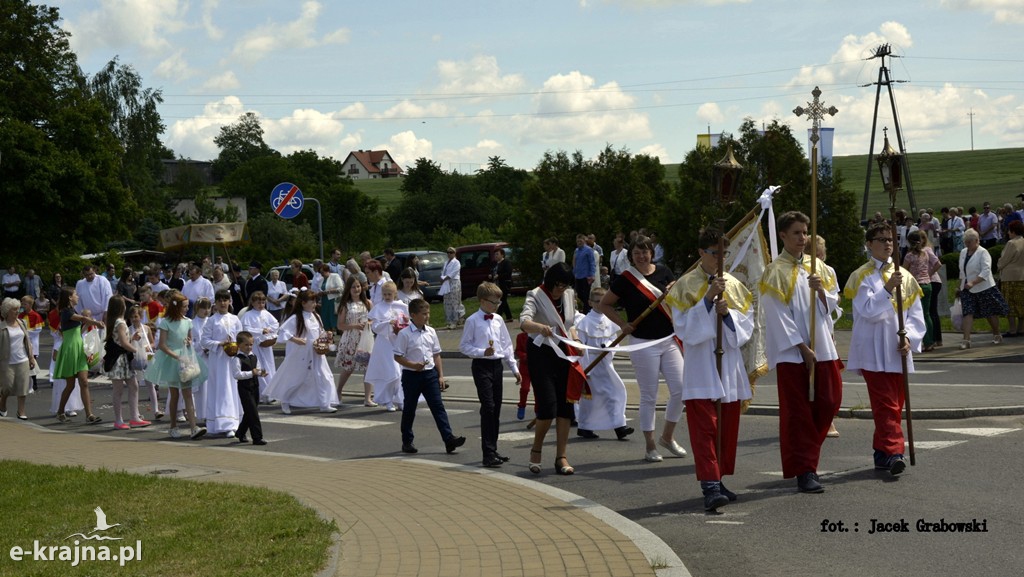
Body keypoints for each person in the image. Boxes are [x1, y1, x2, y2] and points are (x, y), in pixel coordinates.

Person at [667, 228, 754, 510]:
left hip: (727, 363)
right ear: (701, 253)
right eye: (716, 254)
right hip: (702, 364)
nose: (721, 259)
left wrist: (727, 314)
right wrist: (706, 300)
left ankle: (719, 477)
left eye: (724, 254)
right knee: (705, 427)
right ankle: (709, 484)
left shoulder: (734, 284)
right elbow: (683, 329)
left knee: (726, 427)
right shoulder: (685, 284)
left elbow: (746, 327)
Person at [760, 213, 842, 492]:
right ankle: (805, 469)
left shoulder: (817, 267)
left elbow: (834, 306)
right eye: (796, 233)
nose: (802, 238)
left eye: (805, 232)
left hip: (822, 346)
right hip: (793, 353)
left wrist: (821, 292)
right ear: (783, 235)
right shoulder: (774, 271)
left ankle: (807, 454)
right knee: (798, 414)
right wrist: (801, 347)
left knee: (829, 401)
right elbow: (776, 315)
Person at [596, 236, 687, 463]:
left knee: (681, 390)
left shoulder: (664, 272)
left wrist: (675, 290)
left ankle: (667, 436)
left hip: (668, 338)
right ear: (631, 256)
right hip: (642, 342)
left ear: (651, 253)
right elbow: (605, 304)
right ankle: (650, 445)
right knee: (649, 395)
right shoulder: (625, 279)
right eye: (637, 252)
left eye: (645, 251)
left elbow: (678, 300)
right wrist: (622, 325)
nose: (641, 256)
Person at [844, 222, 926, 476]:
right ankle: (893, 453)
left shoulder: (905, 275)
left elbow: (915, 314)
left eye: (890, 239)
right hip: (872, 350)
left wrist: (909, 338)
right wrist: (888, 288)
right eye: (881, 239)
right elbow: (867, 311)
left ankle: (881, 452)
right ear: (869, 244)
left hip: (897, 350)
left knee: (894, 404)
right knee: (886, 406)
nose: (887, 243)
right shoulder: (861, 276)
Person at [519, 263, 578, 475]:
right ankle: (536, 450)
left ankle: (561, 456)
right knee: (548, 405)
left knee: (566, 406)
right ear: (550, 281)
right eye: (558, 285)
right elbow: (524, 321)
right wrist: (539, 327)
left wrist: (576, 337)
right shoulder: (535, 294)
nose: (560, 290)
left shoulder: (569, 295)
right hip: (541, 353)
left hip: (564, 353)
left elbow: (569, 323)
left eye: (564, 286)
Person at [393, 298, 466, 455]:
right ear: (413, 315)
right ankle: (407, 441)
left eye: (428, 313)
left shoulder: (431, 332)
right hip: (412, 375)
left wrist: (440, 375)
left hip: (430, 375)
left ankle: (448, 439)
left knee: (437, 406)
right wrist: (413, 365)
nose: (427, 316)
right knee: (410, 408)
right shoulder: (405, 334)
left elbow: (436, 355)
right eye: (424, 314)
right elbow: (398, 356)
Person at [459, 282, 521, 468]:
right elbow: (464, 346)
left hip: (497, 366)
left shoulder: (498, 320)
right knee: (488, 407)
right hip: (481, 366)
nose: (497, 306)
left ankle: (493, 449)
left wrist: (514, 369)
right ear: (483, 301)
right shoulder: (473, 321)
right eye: (494, 302)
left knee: (496, 409)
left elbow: (506, 344)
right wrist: (481, 352)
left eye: (498, 303)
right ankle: (487, 453)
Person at [264, 289, 339, 414]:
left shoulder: (316, 316)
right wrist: (295, 339)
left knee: (324, 376)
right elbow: (282, 331)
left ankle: (324, 403)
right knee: (297, 378)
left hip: (316, 352)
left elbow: (320, 332)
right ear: (303, 303)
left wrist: (327, 335)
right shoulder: (296, 318)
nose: (314, 304)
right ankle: (285, 400)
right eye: (312, 302)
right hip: (302, 354)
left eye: (315, 301)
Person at [144, 290, 206, 439]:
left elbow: (190, 339)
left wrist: (189, 343)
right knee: (175, 394)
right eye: (184, 306)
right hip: (172, 360)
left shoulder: (188, 321)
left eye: (186, 306)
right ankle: (173, 426)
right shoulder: (166, 322)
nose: (186, 308)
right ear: (176, 307)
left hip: (186, 359)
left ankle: (193, 427)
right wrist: (177, 356)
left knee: (188, 394)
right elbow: (163, 345)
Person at [574, 287, 632, 441]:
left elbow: (615, 341)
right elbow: (581, 347)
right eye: (597, 302)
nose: (600, 305)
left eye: (603, 301)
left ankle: (620, 426)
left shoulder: (610, 320)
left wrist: (609, 349)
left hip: (605, 364)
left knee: (615, 392)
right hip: (592, 364)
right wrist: (586, 369)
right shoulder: (584, 322)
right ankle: (585, 426)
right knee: (592, 399)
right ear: (590, 302)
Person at [54, 287, 105, 424]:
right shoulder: (65, 311)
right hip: (70, 349)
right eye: (75, 294)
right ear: (70, 297)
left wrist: (90, 325)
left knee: (84, 381)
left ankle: (89, 415)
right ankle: (60, 411)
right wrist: (95, 322)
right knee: (70, 385)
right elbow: (82, 318)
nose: (78, 296)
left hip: (78, 348)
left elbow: (78, 328)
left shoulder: (72, 311)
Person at [200, 290, 244, 436]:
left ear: (229, 301)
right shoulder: (212, 320)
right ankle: (217, 423)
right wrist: (220, 343)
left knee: (231, 388)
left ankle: (232, 423)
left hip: (231, 359)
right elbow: (204, 340)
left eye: (225, 300)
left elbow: (241, 337)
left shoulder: (235, 319)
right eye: (220, 300)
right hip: (218, 360)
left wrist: (236, 345)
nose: (223, 303)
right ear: (216, 303)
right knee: (220, 389)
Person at [103, 296, 150, 430]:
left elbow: (120, 341)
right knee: (123, 389)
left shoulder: (114, 321)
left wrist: (131, 339)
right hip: (120, 359)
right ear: (121, 307)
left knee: (130, 386)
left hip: (119, 358)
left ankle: (131, 417)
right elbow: (123, 343)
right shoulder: (121, 323)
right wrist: (137, 350)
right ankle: (121, 419)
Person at [957, 228, 1009, 348]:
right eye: (966, 242)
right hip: (967, 288)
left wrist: (973, 282)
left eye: (969, 242)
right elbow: (962, 271)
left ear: (976, 240)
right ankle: (966, 340)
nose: (967, 244)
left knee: (990, 313)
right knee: (968, 312)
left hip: (984, 287)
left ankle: (996, 333)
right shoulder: (963, 252)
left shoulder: (983, 252)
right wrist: (959, 286)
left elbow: (986, 271)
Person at [364, 282, 408, 412]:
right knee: (391, 372)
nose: (387, 296)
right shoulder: (379, 307)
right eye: (385, 294)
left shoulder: (401, 306)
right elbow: (375, 327)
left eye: (389, 294)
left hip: (398, 342)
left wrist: (405, 321)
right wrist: (387, 323)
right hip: (384, 344)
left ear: (395, 294)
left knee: (400, 373)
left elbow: (408, 322)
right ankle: (387, 400)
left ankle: (400, 399)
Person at [334, 276, 373, 405]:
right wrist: (355, 326)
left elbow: (374, 319)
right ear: (348, 289)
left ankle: (367, 398)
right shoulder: (345, 305)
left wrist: (368, 323)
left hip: (366, 338)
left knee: (368, 367)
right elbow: (340, 325)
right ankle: (338, 390)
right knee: (349, 368)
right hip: (351, 338)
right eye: (353, 287)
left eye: (358, 286)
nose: (356, 289)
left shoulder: (367, 303)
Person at [903, 231, 943, 352]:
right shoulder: (925, 253)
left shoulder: (909, 256)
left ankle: (923, 341)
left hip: (916, 286)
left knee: (917, 315)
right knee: (927, 314)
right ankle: (930, 341)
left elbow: (904, 270)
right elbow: (936, 264)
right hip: (928, 284)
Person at [0, 297, 35, 420]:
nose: (17, 311)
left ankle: (21, 411)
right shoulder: (1, 326)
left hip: (22, 360)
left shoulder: (22, 323)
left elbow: (28, 341)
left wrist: (31, 358)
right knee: (6, 388)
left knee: (23, 387)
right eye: (14, 309)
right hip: (6, 362)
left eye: (18, 309)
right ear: (7, 311)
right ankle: (2, 405)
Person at [241, 292, 279, 403]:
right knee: (259, 366)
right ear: (253, 303)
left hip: (266, 346)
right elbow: (246, 328)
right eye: (259, 302)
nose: (261, 305)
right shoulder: (248, 315)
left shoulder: (266, 313)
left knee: (269, 366)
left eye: (263, 302)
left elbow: (275, 324)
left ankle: (270, 392)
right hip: (255, 345)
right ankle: (262, 393)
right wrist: (260, 331)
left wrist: (269, 330)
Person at [232, 331, 267, 445]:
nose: (249, 347)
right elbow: (237, 374)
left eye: (251, 344)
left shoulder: (254, 356)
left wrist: (261, 373)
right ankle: (257, 437)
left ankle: (241, 432)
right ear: (239, 345)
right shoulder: (237, 359)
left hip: (255, 386)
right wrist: (251, 373)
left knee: (250, 411)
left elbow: (257, 368)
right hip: (244, 388)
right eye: (246, 345)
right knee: (253, 413)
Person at [997, 221, 1024, 337]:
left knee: (1010, 304)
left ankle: (1012, 329)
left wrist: (998, 265)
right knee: (1021, 303)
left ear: (1013, 231)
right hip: (1022, 275)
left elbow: (1004, 260)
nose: (1008, 233)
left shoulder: (1011, 243)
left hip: (1009, 277)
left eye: (1009, 230)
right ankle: (1021, 329)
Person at [18, 296, 43, 392]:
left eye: (25, 304)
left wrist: (26, 332)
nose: (23, 306)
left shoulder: (36, 316)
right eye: (22, 304)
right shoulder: (20, 315)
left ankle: (34, 382)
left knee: (33, 363)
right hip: (23, 342)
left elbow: (38, 330)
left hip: (33, 342)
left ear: (30, 305)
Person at [314, 263, 344, 334]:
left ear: (327, 271)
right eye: (320, 273)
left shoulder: (335, 276)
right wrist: (319, 293)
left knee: (334, 320)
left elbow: (341, 289)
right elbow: (320, 290)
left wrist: (328, 291)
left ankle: (340, 336)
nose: (322, 274)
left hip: (333, 301)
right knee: (325, 320)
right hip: (324, 302)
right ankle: (329, 338)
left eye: (323, 272)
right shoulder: (321, 280)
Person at [439, 247, 462, 329]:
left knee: (454, 302)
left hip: (454, 282)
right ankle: (449, 321)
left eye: (451, 252)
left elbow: (453, 273)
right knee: (447, 302)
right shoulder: (446, 263)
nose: (449, 254)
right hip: (446, 283)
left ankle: (455, 321)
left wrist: (444, 278)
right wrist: (441, 278)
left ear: (454, 253)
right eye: (448, 252)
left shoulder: (457, 262)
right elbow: (443, 272)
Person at [572, 234, 596, 313]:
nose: (579, 242)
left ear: (584, 241)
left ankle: (587, 310)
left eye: (580, 240)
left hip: (586, 276)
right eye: (577, 241)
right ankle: (589, 306)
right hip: (578, 275)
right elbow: (575, 262)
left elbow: (592, 262)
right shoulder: (576, 250)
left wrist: (592, 275)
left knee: (586, 294)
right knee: (579, 294)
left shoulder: (588, 250)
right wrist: (574, 272)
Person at [490, 249, 514, 321]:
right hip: (496, 284)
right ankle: (509, 317)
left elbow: (508, 273)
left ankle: (497, 316)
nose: (495, 256)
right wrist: (491, 275)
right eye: (495, 254)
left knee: (502, 300)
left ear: (502, 255)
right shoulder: (495, 263)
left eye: (497, 254)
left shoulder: (506, 262)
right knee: (503, 300)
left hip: (504, 284)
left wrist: (499, 276)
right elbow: (492, 271)